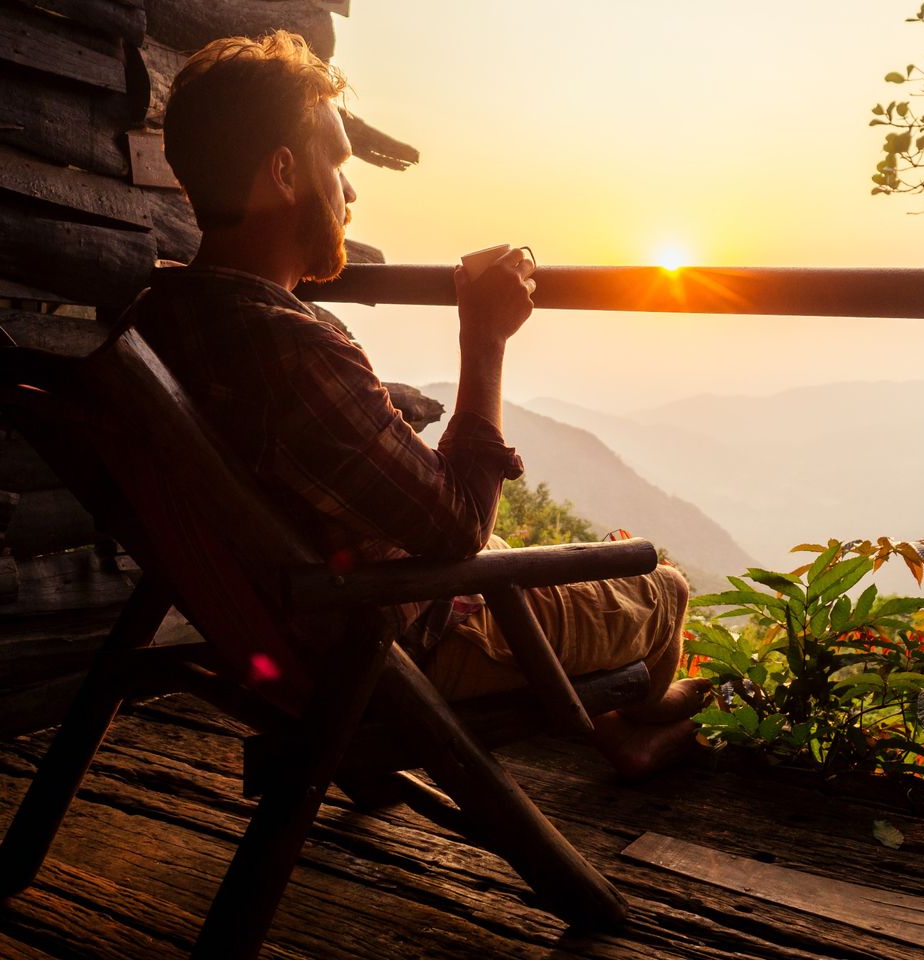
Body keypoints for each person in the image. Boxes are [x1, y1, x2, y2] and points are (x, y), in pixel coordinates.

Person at [125, 30, 708, 777]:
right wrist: (485, 337)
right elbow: (461, 525)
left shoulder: (162, 315)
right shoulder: (290, 349)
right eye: (336, 164)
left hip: (283, 629)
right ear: (282, 172)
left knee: (525, 557)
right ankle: (634, 717)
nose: (352, 191)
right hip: (396, 644)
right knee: (661, 583)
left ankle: (622, 716)